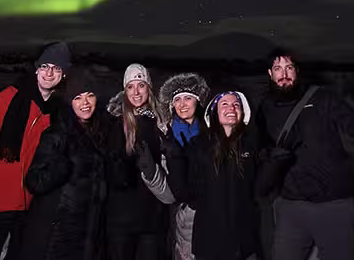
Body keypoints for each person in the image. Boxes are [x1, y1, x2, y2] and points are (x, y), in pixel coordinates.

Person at [255, 48, 354, 260]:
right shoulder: (265, 107)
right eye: (277, 68)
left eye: (289, 67)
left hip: (334, 207)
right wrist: (270, 157)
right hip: (290, 207)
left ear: (297, 71)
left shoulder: (323, 98)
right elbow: (259, 148)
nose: (284, 74)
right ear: (269, 73)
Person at [0, 40, 72, 260]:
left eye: (57, 68)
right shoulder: (8, 98)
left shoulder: (59, 113)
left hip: (31, 205)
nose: (50, 73)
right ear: (36, 68)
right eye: (45, 66)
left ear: (63, 75)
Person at [165, 89, 288, 260]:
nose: (231, 108)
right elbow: (185, 193)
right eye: (225, 104)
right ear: (214, 111)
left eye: (236, 104)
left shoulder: (251, 145)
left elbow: (259, 191)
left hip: (244, 244)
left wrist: (274, 164)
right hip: (210, 245)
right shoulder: (199, 146)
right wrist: (175, 158)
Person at [20, 66, 113, 260]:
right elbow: (33, 181)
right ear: (70, 102)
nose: (85, 103)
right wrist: (58, 170)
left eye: (89, 96)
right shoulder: (57, 134)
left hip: (93, 226)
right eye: (77, 97)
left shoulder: (105, 132)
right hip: (62, 229)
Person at [105, 63, 170, 260]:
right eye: (130, 86)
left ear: (149, 88)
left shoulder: (163, 123)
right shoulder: (114, 123)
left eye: (141, 85)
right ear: (124, 91)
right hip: (121, 218)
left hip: (153, 216)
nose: (136, 92)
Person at [157, 72, 211, 260]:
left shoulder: (210, 131)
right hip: (181, 208)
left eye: (188, 98)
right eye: (177, 100)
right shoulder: (166, 133)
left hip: (209, 207)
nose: (182, 104)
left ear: (198, 102)